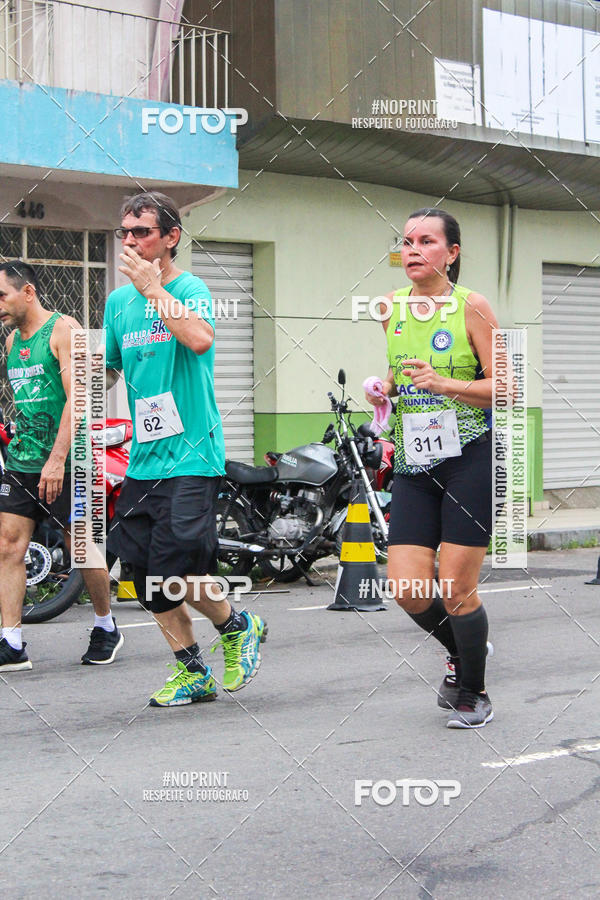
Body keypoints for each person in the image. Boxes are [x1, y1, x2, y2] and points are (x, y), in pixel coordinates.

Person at [103, 191, 266, 707]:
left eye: (141, 232)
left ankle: (237, 625)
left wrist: (153, 288)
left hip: (192, 454)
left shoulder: (190, 287)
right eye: (124, 232)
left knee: (173, 567)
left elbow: (198, 338)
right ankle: (194, 671)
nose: (129, 241)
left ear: (171, 237)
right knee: (141, 576)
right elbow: (107, 369)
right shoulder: (117, 302)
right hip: (145, 458)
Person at [366, 208, 497, 728]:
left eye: (426, 241)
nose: (413, 250)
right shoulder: (390, 309)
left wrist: (447, 385)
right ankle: (468, 649)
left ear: (452, 252)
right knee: (408, 589)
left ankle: (474, 691)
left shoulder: (473, 307)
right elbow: (406, 379)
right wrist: (386, 389)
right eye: (407, 241)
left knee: (457, 588)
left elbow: (506, 387)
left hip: (468, 456)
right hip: (416, 462)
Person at [0, 260, 123, 670]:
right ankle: (11, 642)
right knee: (8, 545)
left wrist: (56, 460)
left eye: (2, 295)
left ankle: (106, 625)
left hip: (72, 461)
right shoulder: (11, 341)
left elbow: (80, 399)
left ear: (28, 292)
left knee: (81, 547)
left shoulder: (65, 331)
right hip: (23, 460)